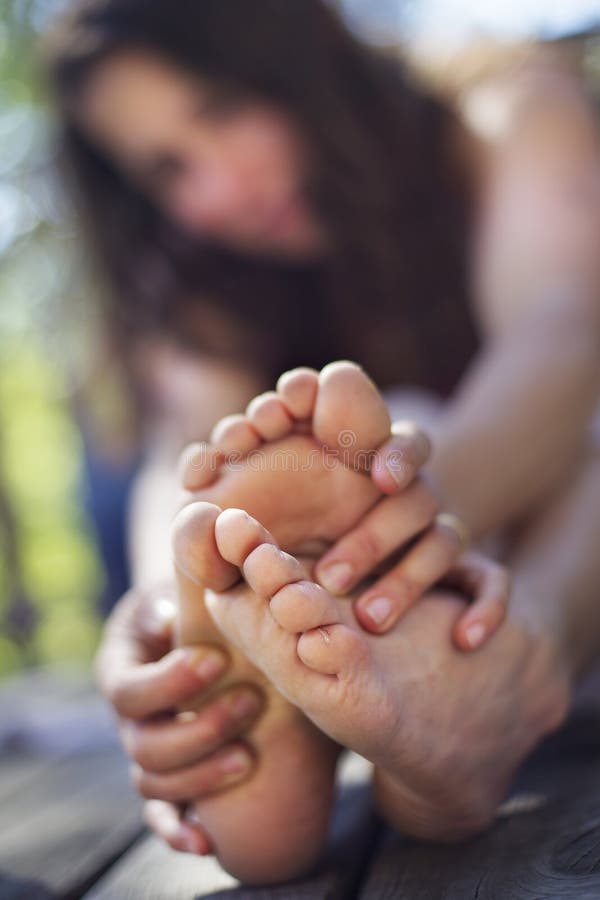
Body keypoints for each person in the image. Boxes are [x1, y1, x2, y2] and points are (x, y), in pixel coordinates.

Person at [44, 0, 600, 883]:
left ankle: (507, 658)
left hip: (550, 521)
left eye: (223, 109)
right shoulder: (197, 277)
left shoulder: (504, 108)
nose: (216, 189)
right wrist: (168, 612)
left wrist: (421, 492)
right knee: (253, 483)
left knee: (545, 440)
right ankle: (364, 681)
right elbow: (187, 457)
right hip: (387, 611)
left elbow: (564, 336)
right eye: (168, 170)